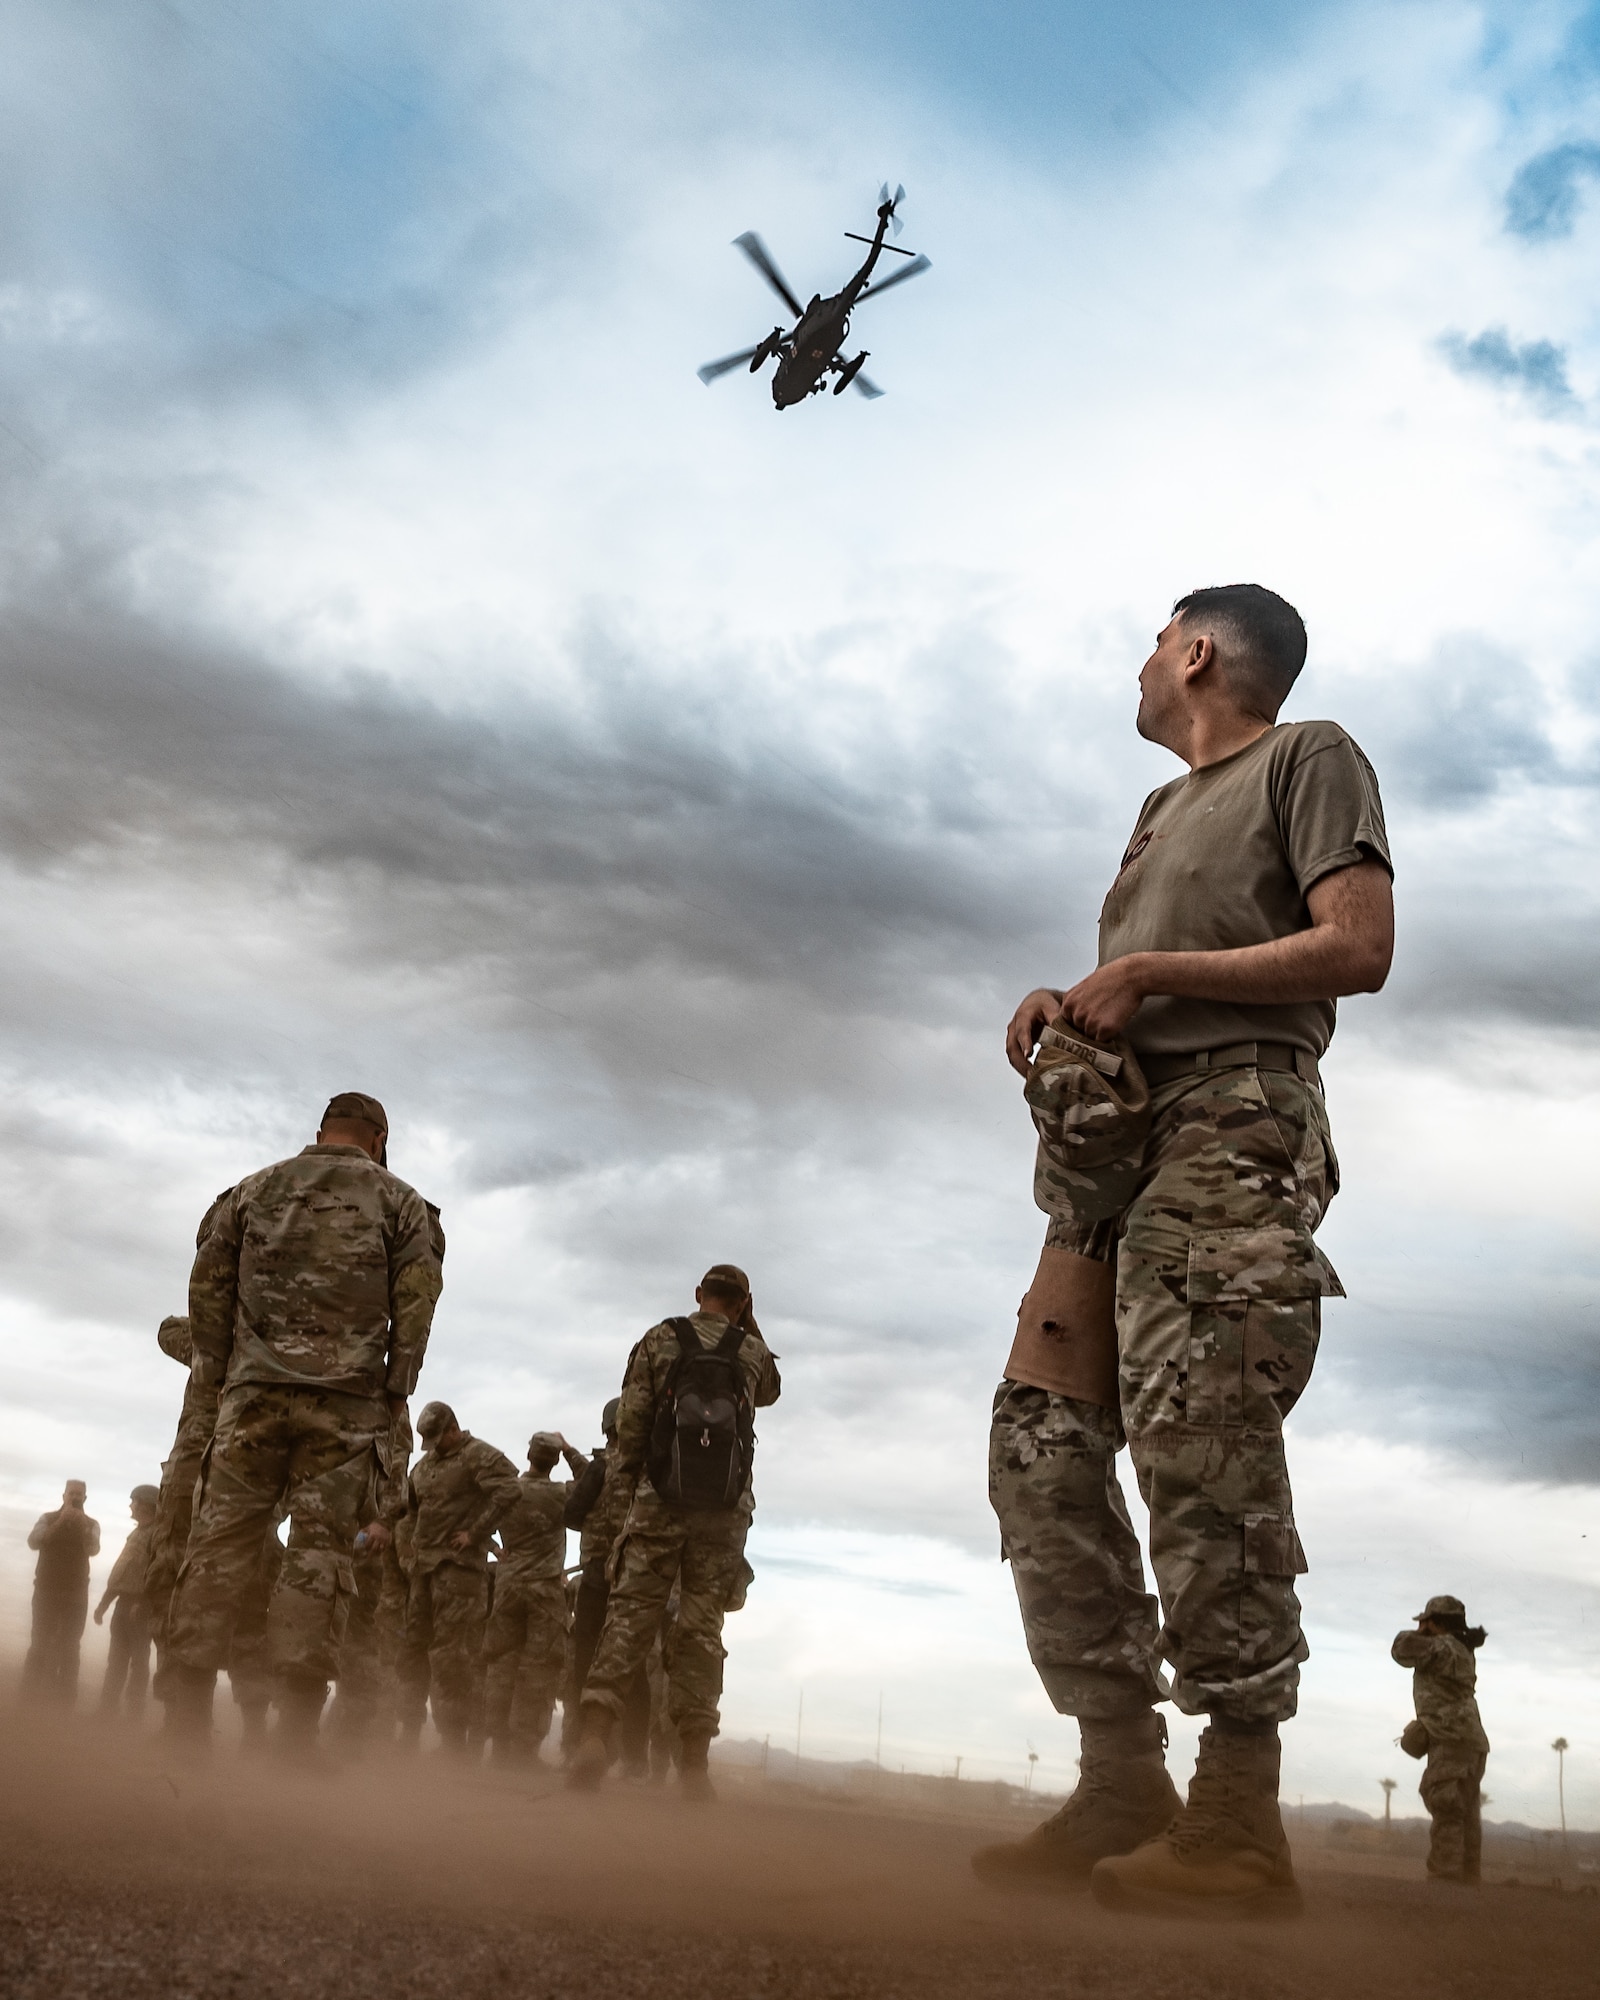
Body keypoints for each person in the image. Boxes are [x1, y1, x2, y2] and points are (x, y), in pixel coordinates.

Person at [975, 586, 1394, 1915]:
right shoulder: (1160, 811)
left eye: (1157, 640)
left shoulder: (1305, 755)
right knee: (1038, 1444)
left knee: (1201, 1439)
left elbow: (1359, 947)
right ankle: (1120, 1779)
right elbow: (1157, 972)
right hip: (1115, 1154)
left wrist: (1147, 972)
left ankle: (1238, 1822)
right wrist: (1082, 999)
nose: (1145, 663)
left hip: (1235, 1128)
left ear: (1199, 651)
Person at [162, 1092, 444, 1756]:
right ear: (378, 1138)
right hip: (346, 1410)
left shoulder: (250, 1192)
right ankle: (292, 1733)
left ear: (320, 1132)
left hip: (251, 1395)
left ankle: (184, 1718)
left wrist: (222, 1375)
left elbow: (206, 1287)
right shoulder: (404, 1205)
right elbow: (417, 1302)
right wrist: (395, 1389)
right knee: (318, 1554)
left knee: (221, 1543)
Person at [568, 1263, 781, 1800]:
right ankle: (692, 1763)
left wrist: (632, 1493)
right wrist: (748, 1327)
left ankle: (594, 1734)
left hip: (660, 1500)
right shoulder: (751, 1352)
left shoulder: (661, 1338)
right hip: (724, 1511)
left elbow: (633, 1422)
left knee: (630, 1615)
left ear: (698, 1295)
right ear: (743, 1303)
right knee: (701, 1629)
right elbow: (772, 1394)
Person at [395, 1402, 521, 1754]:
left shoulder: (478, 1455)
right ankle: (408, 1730)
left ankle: (454, 1740)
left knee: (452, 1656)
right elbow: (410, 1512)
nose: (435, 1447)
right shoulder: (423, 1466)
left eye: (439, 1439)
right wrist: (408, 1554)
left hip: (459, 1571)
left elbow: (510, 1490)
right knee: (413, 1648)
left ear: (453, 1429)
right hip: (423, 1569)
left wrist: (477, 1533)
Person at [483, 1430, 589, 1765]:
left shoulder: (508, 1491)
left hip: (508, 1585)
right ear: (555, 1460)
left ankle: (497, 1744)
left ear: (529, 1455)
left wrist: (497, 1550)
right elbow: (590, 1481)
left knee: (501, 1663)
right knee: (538, 1670)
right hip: (545, 1591)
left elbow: (477, 1521)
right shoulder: (561, 1494)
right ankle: (524, 1749)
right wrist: (570, 1450)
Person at [1392, 1595, 1490, 1884]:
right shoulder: (1460, 1648)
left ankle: (1446, 1875)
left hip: (1451, 1739)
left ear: (1436, 1622)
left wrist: (1423, 1631)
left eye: (1425, 1620)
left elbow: (1400, 1649)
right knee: (1466, 1810)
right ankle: (1468, 1875)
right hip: (1469, 1741)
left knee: (1446, 1804)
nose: (1420, 1625)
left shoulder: (1441, 1647)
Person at [22, 1481, 101, 1704]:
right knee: (39, 1642)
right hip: (46, 1589)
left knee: (70, 1647)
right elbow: (34, 1542)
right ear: (63, 1495)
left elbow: (93, 1549)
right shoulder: (47, 1518)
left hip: (76, 1593)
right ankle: (28, 1700)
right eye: (71, 1493)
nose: (75, 1497)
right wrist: (61, 1521)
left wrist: (82, 1526)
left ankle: (64, 1704)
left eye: (79, 1494)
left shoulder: (92, 1523)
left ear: (85, 1498)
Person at [94, 1484, 160, 1718]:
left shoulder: (157, 1535)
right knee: (117, 1660)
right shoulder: (138, 1533)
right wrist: (104, 1603)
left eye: (134, 1501)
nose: (130, 1505)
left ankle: (134, 1715)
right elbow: (122, 1573)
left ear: (144, 1504)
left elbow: (157, 1573)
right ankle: (107, 1711)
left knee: (139, 1663)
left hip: (139, 1607)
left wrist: (143, 1603)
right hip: (124, 1604)